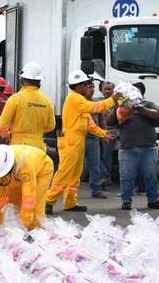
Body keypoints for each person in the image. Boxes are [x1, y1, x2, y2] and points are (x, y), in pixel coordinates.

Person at [45, 71, 117, 214]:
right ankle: (48, 201)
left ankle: (70, 202)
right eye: (85, 84)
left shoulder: (78, 101)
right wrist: (112, 100)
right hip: (71, 141)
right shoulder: (75, 99)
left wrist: (103, 134)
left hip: (76, 140)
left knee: (74, 175)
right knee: (65, 173)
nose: (88, 87)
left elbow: (89, 124)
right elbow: (95, 107)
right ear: (78, 86)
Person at [0, 144, 54, 232]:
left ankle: (37, 235)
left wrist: (23, 226)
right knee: (13, 208)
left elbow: (29, 198)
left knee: (36, 208)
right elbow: (1, 203)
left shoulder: (24, 165)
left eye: (3, 175)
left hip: (42, 168)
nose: (1, 178)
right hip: (16, 173)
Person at [116, 82, 159, 211]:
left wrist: (141, 109)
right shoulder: (122, 107)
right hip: (128, 148)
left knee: (151, 175)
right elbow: (110, 121)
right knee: (126, 177)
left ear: (141, 93)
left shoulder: (148, 104)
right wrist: (121, 107)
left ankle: (153, 201)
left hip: (148, 147)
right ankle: (126, 201)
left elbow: (157, 115)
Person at [0, 63, 56, 150]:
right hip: (39, 147)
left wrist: (7, 135)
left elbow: (2, 126)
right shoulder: (48, 101)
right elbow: (51, 126)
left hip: (19, 146)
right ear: (39, 81)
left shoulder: (15, 99)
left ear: (23, 80)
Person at [83, 81, 116, 197]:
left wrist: (105, 134)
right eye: (89, 86)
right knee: (75, 166)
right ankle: (69, 191)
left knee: (95, 164)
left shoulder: (97, 103)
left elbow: (102, 119)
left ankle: (96, 189)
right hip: (78, 138)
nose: (91, 89)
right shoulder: (78, 102)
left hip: (93, 138)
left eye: (93, 87)